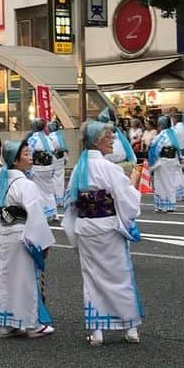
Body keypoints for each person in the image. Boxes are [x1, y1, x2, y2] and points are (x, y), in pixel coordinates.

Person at [64, 121, 143, 345]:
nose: (112, 140)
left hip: (86, 227)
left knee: (93, 279)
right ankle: (130, 328)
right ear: (97, 140)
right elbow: (126, 200)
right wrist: (133, 184)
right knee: (120, 276)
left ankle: (97, 330)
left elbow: (70, 202)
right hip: (108, 226)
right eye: (108, 137)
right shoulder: (109, 168)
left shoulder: (79, 169)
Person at [0, 139, 55, 338]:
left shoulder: (4, 181)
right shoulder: (25, 184)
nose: (30, 157)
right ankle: (32, 324)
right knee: (25, 279)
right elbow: (35, 214)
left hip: (7, 233)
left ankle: (8, 323)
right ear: (15, 160)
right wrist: (43, 243)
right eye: (26, 154)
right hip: (23, 234)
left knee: (7, 278)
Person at [146, 116, 182, 213]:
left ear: (161, 125)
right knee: (170, 182)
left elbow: (155, 149)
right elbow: (179, 150)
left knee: (160, 183)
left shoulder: (161, 135)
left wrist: (151, 164)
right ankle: (170, 204)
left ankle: (162, 204)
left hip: (163, 162)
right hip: (173, 160)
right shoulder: (173, 134)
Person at [25, 118, 57, 220]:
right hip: (48, 167)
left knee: (39, 190)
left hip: (38, 168)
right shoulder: (48, 139)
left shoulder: (32, 139)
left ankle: (44, 212)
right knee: (49, 190)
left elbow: (29, 153)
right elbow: (52, 152)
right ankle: (53, 211)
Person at [47, 120, 69, 218]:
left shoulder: (50, 137)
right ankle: (60, 198)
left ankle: (55, 198)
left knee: (54, 177)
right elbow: (65, 148)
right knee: (61, 177)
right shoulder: (60, 136)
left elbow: (51, 149)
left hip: (55, 158)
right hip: (62, 157)